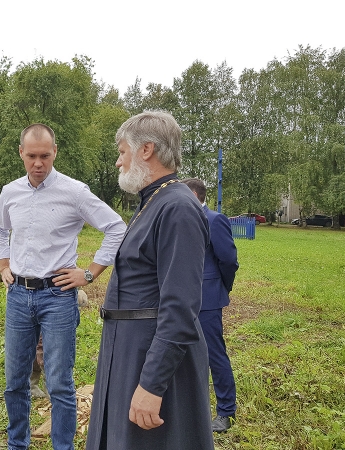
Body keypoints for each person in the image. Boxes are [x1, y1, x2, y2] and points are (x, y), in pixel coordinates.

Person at [0, 123, 126, 450]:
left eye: (45, 156)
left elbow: (116, 227)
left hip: (58, 297)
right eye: (32, 156)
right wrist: (4, 265)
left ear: (55, 153)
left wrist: (90, 274)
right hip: (19, 295)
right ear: (21, 153)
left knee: (60, 384)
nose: (38, 163)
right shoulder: (11, 192)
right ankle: (17, 445)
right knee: (15, 383)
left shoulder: (74, 191)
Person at [86, 111, 214, 449]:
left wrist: (152, 384)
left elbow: (180, 308)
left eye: (122, 151)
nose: (118, 161)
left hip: (148, 355)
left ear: (146, 150)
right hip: (129, 348)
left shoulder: (177, 208)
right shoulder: (154, 201)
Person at [182, 178, 239, 433]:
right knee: (186, 355)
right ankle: (192, 409)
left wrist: (221, 287)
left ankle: (226, 411)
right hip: (182, 299)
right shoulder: (182, 220)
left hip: (208, 299)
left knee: (214, 354)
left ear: (194, 194)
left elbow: (229, 260)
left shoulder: (215, 220)